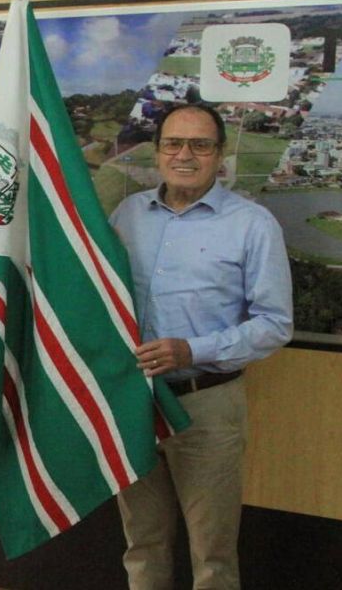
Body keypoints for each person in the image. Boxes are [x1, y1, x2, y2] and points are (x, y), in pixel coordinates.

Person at [110, 103, 293, 589]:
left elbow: (275, 324)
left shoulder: (252, 224)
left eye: (200, 145)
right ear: (157, 151)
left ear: (220, 154)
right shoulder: (128, 214)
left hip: (206, 406)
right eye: (173, 143)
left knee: (211, 553)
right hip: (134, 401)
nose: (184, 155)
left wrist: (193, 350)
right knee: (142, 542)